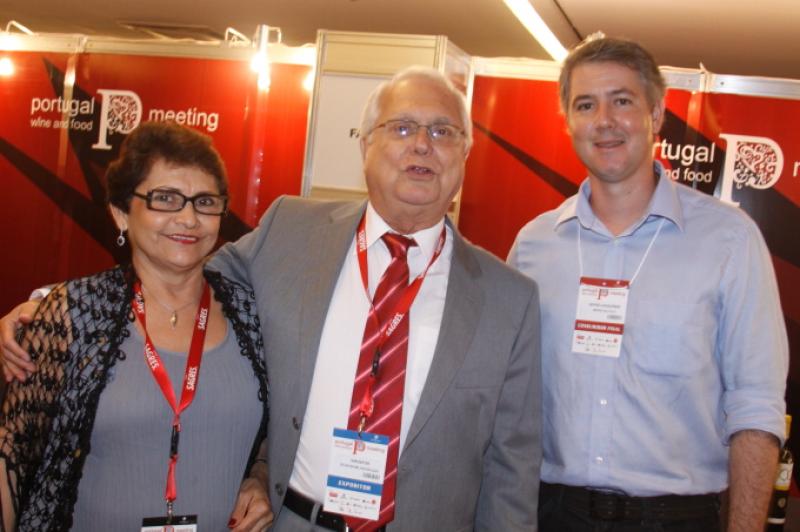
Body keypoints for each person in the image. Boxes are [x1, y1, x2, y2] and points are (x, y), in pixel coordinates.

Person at [1, 68, 542, 530]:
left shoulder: (509, 300)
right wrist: (54, 308)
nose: (422, 144)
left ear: (465, 153)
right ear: (365, 145)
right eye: (401, 127)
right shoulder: (291, 230)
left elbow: (511, 473)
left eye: (443, 131)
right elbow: (181, 269)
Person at [508, 35, 789, 531]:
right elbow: (505, 396)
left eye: (622, 101)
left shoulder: (729, 240)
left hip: (677, 518)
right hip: (550, 514)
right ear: (568, 121)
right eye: (585, 105)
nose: (604, 120)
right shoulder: (533, 246)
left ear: (656, 115)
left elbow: (755, 405)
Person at [0, 122, 272, 531]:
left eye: (205, 202)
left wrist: (262, 475)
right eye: (165, 199)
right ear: (121, 213)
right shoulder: (72, 315)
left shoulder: (254, 317)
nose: (188, 218)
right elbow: (14, 456)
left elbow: (282, 427)